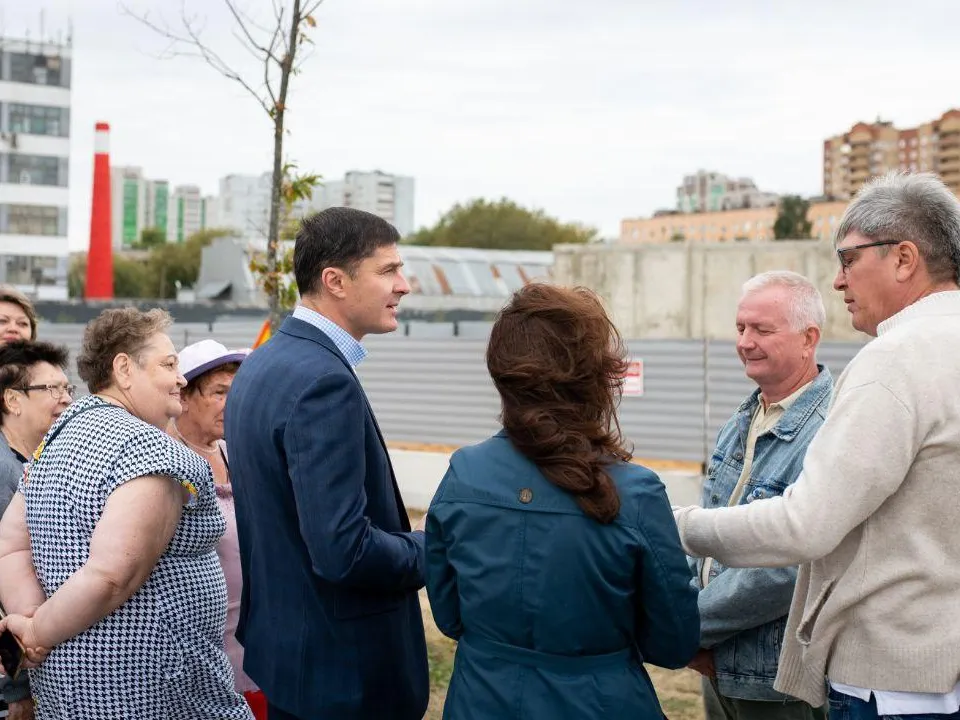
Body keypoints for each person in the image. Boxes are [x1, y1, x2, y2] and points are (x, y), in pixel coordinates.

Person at [674, 171, 960, 720]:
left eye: (849, 259)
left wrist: (675, 525)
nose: (838, 280)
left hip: (892, 682)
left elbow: (804, 527)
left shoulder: (894, 360)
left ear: (904, 258)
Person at [425, 283, 700, 719]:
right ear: (596, 376)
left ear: (502, 372)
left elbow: (448, 615)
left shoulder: (463, 474)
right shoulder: (636, 493)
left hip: (480, 699)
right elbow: (673, 643)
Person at [225, 208, 428, 720]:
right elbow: (344, 551)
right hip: (341, 676)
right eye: (388, 270)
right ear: (335, 280)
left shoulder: (265, 361)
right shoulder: (323, 381)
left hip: (293, 659)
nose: (404, 285)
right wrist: (435, 546)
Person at [0, 307, 251, 719]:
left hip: (71, 686)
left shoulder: (58, 436)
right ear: (124, 369)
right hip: (149, 690)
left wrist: (29, 619)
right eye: (168, 365)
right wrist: (35, 631)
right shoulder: (152, 450)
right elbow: (111, 575)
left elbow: (10, 545)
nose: (180, 379)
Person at [689, 272, 831, 720]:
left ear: (809, 339)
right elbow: (706, 541)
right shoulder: (743, 419)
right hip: (719, 666)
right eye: (740, 327)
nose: (745, 342)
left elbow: (790, 565)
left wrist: (690, 627)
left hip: (777, 682)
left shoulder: (830, 430)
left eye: (762, 330)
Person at [170, 339, 267, 720]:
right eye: (219, 392)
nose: (232, 402)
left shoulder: (233, 450)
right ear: (184, 397)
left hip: (254, 641)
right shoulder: (168, 461)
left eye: (236, 392)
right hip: (197, 650)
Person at [0, 340, 72, 720]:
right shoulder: (3, 472)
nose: (66, 399)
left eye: (67, 388)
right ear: (13, 400)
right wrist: (16, 689)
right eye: (51, 389)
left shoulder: (37, 461)